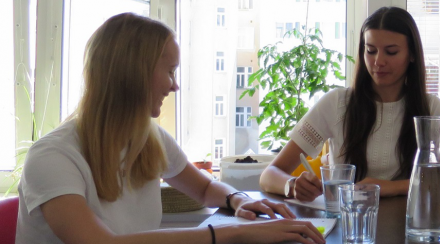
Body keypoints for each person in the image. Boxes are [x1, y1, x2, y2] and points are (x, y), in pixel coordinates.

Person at [15, 13, 325, 244]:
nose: (175, 86)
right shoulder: (52, 157)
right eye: (170, 71)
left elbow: (204, 188)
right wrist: (234, 232)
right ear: (133, 74)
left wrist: (238, 199)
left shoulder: (150, 138)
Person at [260, 6, 440, 201]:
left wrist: (393, 187)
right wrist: (291, 185)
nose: (378, 61)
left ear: (412, 55)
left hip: (410, 223)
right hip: (350, 225)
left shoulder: (430, 108)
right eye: (370, 51)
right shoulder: (337, 103)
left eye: (391, 52)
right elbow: (270, 174)